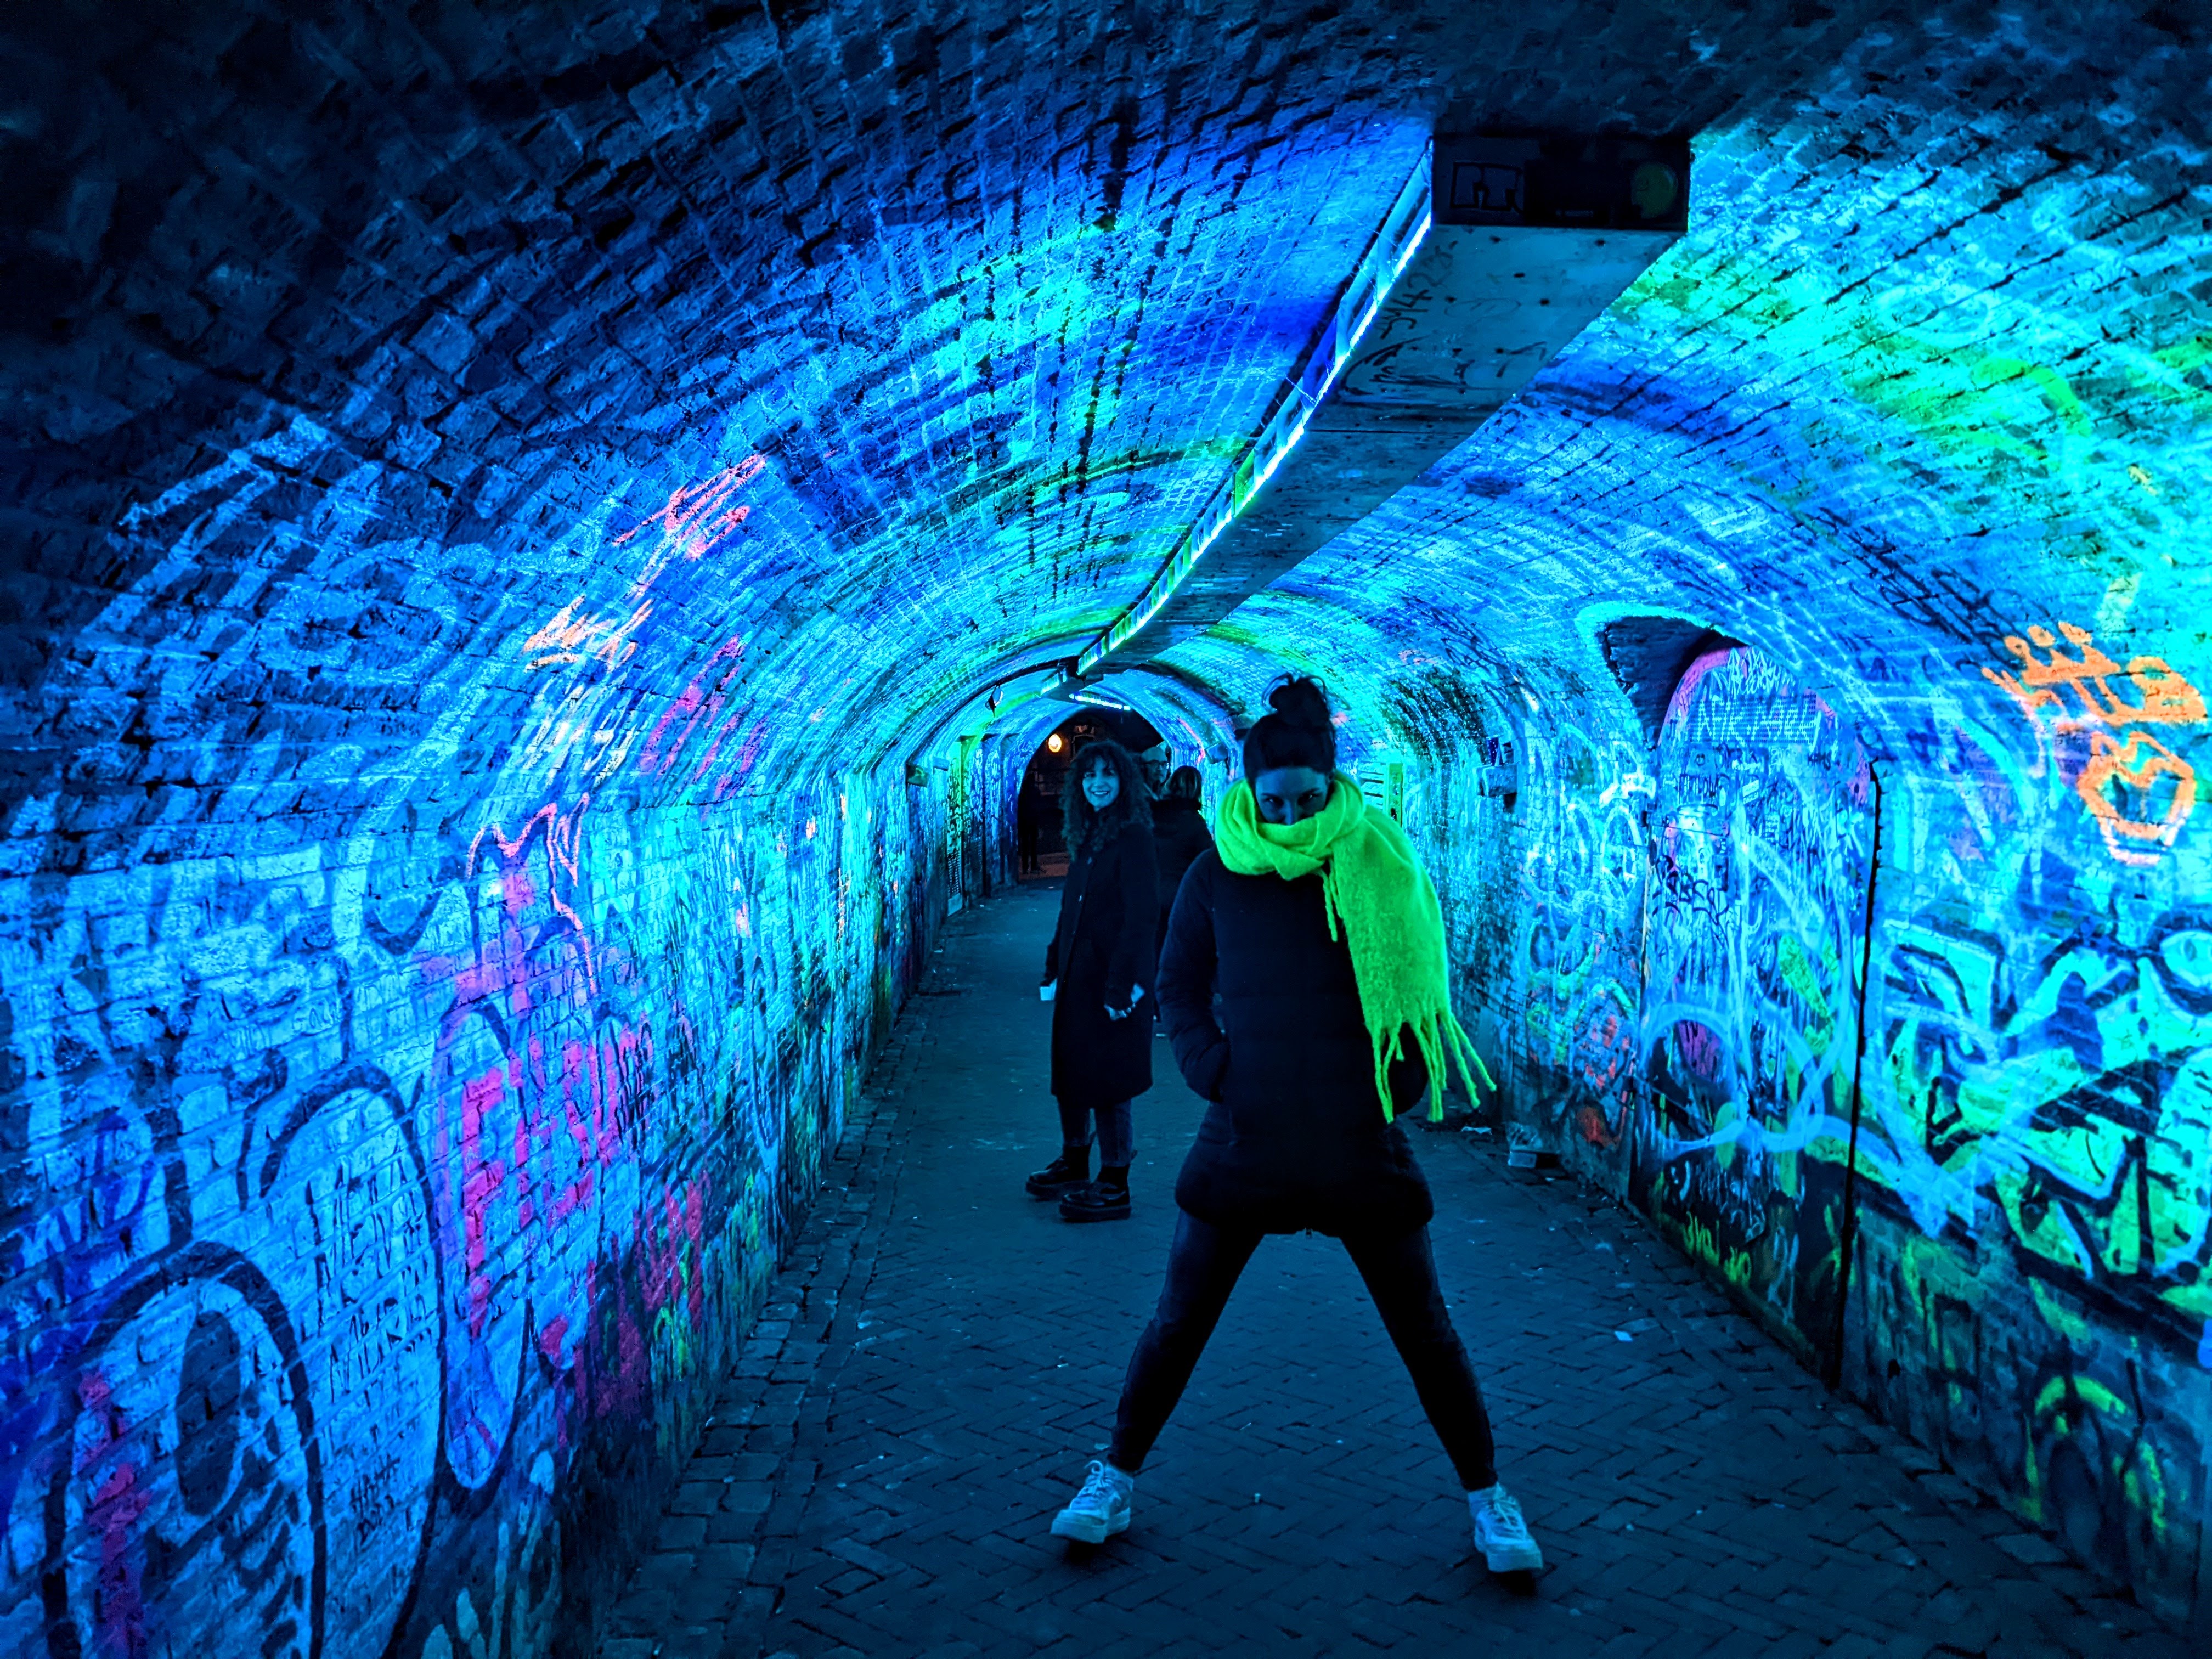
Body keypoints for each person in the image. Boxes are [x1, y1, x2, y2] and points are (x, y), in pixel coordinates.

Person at [1047, 677, 1543, 1576]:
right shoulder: (1217, 873)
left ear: (1331, 784)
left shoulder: (1377, 862)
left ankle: (1489, 1498)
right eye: (1273, 802)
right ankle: (1111, 1477)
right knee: (1177, 1321)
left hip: (1358, 1144)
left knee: (1425, 1330)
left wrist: (1395, 1085)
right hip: (1245, 1137)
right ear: (1249, 792)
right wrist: (1214, 1071)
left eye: (1305, 801)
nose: (1288, 818)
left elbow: (1420, 983)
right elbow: (1178, 986)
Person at [1025, 738, 1159, 1222]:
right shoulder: (1088, 834)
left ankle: (1115, 1181)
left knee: (1110, 1080)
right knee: (1072, 1071)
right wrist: (1054, 958)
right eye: (1088, 775)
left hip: (1111, 982)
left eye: (1108, 774)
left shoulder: (1133, 837)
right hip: (1078, 978)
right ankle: (1075, 1160)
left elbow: (1142, 917)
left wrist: (1123, 985)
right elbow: (1072, 907)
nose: (1097, 783)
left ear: (1125, 781)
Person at [1149, 765, 1213, 952]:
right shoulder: (1195, 824)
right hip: (1178, 898)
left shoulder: (1151, 816)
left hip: (1149, 894)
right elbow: (1208, 861)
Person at [1017, 774, 1042, 874]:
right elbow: (1039, 807)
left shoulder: (1022, 792)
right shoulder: (1036, 791)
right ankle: (1034, 865)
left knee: (1025, 845)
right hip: (1033, 821)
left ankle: (1025, 867)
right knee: (1034, 844)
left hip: (1024, 821)